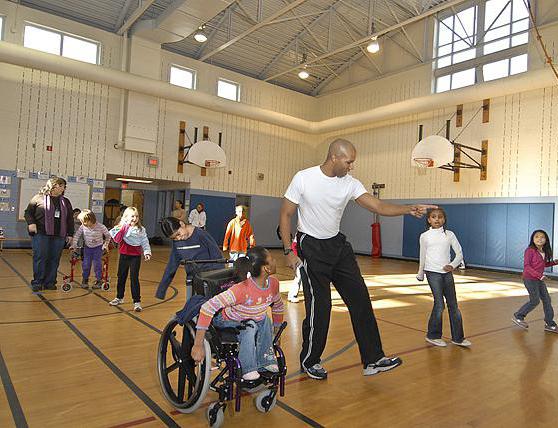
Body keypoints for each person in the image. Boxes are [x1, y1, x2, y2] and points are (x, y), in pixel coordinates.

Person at [279, 138, 436, 380]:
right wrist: (289, 251)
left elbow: (377, 205)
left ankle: (373, 359)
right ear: (334, 157)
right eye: (349, 161)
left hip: (338, 246)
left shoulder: (350, 184)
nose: (352, 166)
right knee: (320, 307)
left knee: (360, 300)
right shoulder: (304, 177)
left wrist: (408, 209)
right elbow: (286, 213)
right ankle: (310, 360)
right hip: (311, 246)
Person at [192, 246, 284, 382]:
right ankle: (247, 369)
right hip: (226, 320)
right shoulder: (241, 289)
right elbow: (207, 307)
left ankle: (265, 361)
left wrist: (276, 331)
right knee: (250, 325)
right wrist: (198, 344)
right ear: (266, 268)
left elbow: (278, 305)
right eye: (271, 259)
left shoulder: (274, 284)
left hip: (253, 318)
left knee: (265, 320)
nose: (275, 260)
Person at [416, 208, 471, 348]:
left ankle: (458, 338)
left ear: (444, 219)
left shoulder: (449, 235)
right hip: (432, 272)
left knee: (453, 305)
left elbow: (459, 253)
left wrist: (452, 265)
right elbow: (422, 255)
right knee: (439, 304)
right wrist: (420, 272)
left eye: (440, 217)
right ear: (429, 219)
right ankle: (433, 335)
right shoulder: (425, 236)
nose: (437, 219)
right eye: (433, 217)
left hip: (447, 273)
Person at [24, 177, 74, 292]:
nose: (63, 188)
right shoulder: (38, 198)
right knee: (40, 257)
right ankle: (37, 282)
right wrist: (31, 223)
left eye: (64, 186)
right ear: (53, 186)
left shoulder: (65, 201)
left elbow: (69, 219)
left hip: (59, 235)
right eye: (61, 186)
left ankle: (50, 282)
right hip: (41, 234)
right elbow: (28, 213)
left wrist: (70, 234)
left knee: (54, 259)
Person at [155, 217, 225, 300]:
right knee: (192, 306)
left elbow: (217, 256)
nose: (178, 238)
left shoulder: (201, 235)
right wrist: (161, 290)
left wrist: (219, 280)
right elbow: (171, 266)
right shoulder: (177, 243)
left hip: (209, 280)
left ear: (182, 224)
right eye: (174, 238)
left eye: (178, 234)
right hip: (192, 281)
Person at [512, 230, 558, 334]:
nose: (539, 239)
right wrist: (539, 276)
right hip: (530, 279)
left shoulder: (543, 251)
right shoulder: (530, 250)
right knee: (535, 300)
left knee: (547, 300)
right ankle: (519, 316)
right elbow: (527, 267)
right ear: (532, 239)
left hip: (539, 279)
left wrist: (553, 263)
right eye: (537, 237)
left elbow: (541, 265)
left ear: (546, 240)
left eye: (542, 237)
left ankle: (550, 324)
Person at [108, 207, 151, 312]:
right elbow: (115, 237)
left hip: (135, 257)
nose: (135, 218)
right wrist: (123, 227)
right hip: (123, 256)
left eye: (136, 216)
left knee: (134, 278)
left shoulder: (141, 229)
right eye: (132, 216)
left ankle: (137, 302)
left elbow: (144, 241)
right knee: (121, 277)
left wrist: (147, 252)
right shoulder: (121, 227)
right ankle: (119, 297)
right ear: (126, 217)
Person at [71, 209, 110, 289]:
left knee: (97, 264)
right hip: (87, 248)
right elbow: (77, 236)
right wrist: (74, 245)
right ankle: (85, 279)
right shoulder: (83, 227)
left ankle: (99, 280)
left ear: (90, 220)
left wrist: (105, 245)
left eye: (84, 221)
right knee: (86, 264)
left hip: (98, 248)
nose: (83, 224)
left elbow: (108, 236)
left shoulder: (101, 227)